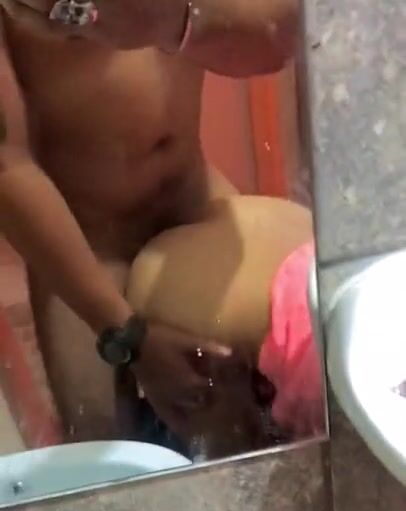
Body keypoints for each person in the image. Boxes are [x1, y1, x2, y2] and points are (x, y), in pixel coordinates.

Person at [0, 0, 308, 453]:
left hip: (194, 200)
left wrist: (174, 20)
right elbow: (8, 168)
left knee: (255, 431)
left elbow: (273, 39)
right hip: (88, 247)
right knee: (103, 453)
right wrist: (126, 336)